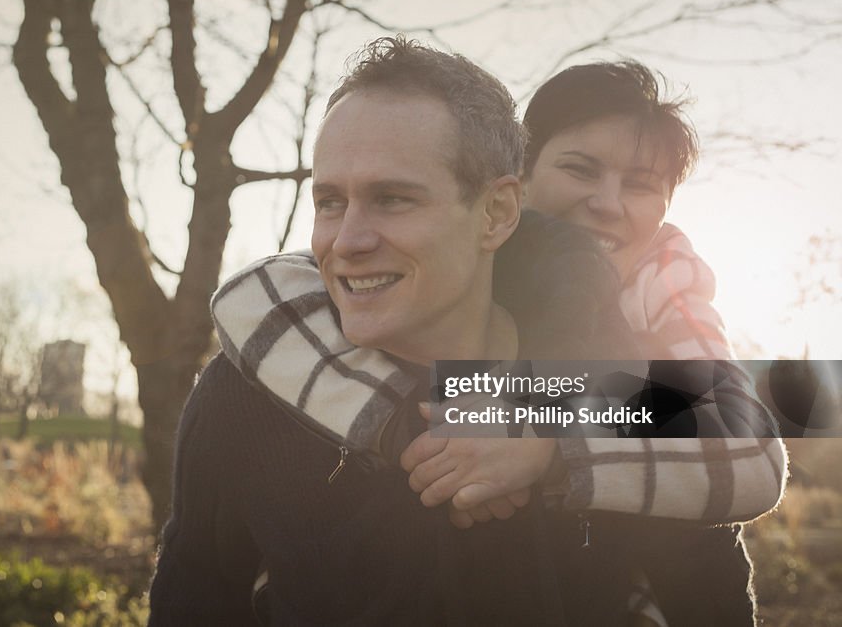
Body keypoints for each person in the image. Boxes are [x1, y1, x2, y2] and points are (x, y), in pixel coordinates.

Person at [208, 54, 786, 624]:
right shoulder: (432, 270)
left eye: (639, 185)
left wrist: (547, 438)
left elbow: (749, 443)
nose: (607, 203)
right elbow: (255, 296)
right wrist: (425, 427)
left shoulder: (664, 286)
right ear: (517, 180)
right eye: (580, 169)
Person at [150, 37, 662, 625]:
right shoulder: (244, 395)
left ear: (496, 213)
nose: (348, 242)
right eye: (329, 202)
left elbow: (757, 434)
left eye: (393, 199)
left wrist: (545, 429)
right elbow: (192, 601)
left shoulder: (610, 368)